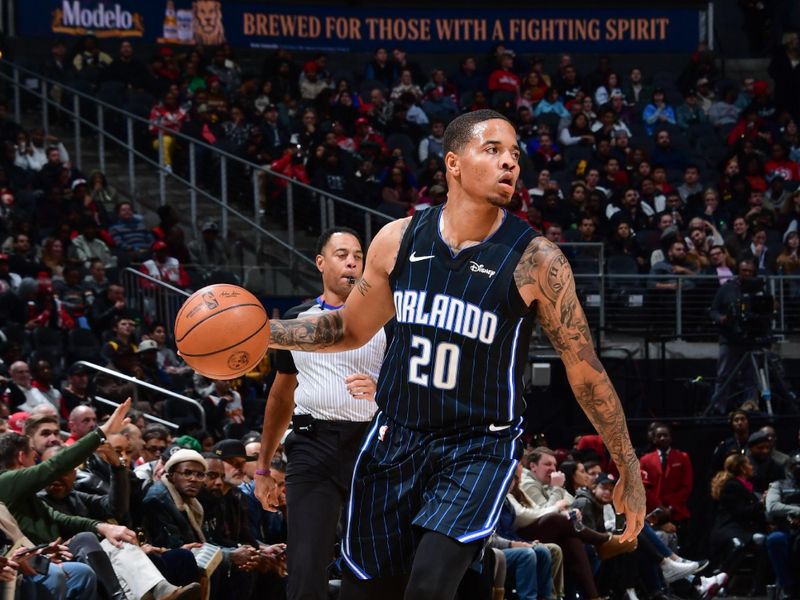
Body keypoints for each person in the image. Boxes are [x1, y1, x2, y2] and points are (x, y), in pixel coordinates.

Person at [255, 109, 645, 599]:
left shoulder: (537, 260)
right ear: (454, 163)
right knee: (368, 591)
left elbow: (586, 373)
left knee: (429, 585)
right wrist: (263, 333)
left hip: (475, 447)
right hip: (395, 437)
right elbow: (349, 328)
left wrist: (627, 465)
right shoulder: (397, 239)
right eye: (494, 150)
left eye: (515, 155)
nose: (510, 163)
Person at [256, 226, 385, 600]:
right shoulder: (297, 320)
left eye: (358, 256)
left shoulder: (387, 318)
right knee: (306, 561)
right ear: (321, 262)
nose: (352, 262)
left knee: (370, 560)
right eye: (343, 254)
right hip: (312, 445)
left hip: (371, 447)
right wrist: (263, 468)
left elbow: (410, 384)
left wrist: (383, 391)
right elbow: (280, 397)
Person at [708, 259, 761, 414]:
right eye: (745, 271)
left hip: (750, 340)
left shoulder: (757, 289)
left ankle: (750, 406)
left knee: (751, 376)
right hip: (729, 338)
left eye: (750, 272)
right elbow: (713, 310)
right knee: (723, 375)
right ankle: (718, 408)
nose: (747, 274)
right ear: (739, 271)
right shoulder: (726, 288)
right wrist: (721, 318)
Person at [765, 452, 800, 599]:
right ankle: (788, 587)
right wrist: (797, 510)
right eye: (796, 466)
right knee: (775, 539)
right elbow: (772, 507)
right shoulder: (778, 485)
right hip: (785, 529)